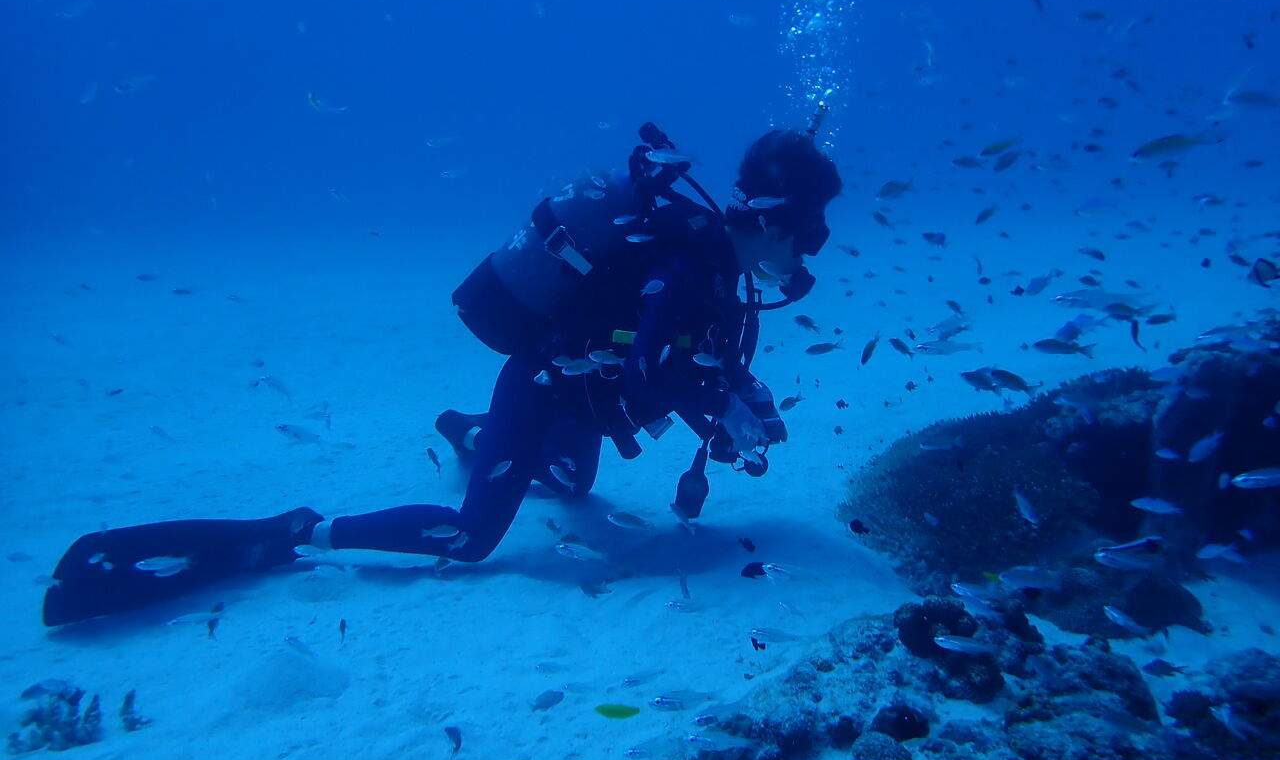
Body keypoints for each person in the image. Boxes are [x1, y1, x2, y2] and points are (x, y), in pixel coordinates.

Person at [42, 115, 842, 627]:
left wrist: (737, 400)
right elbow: (643, 373)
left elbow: (682, 363)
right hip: (544, 384)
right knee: (469, 538)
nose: (806, 254)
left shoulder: (713, 265)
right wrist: (719, 409)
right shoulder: (690, 260)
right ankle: (282, 534)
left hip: (575, 395)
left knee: (571, 485)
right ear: (778, 223)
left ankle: (472, 434)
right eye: (809, 234)